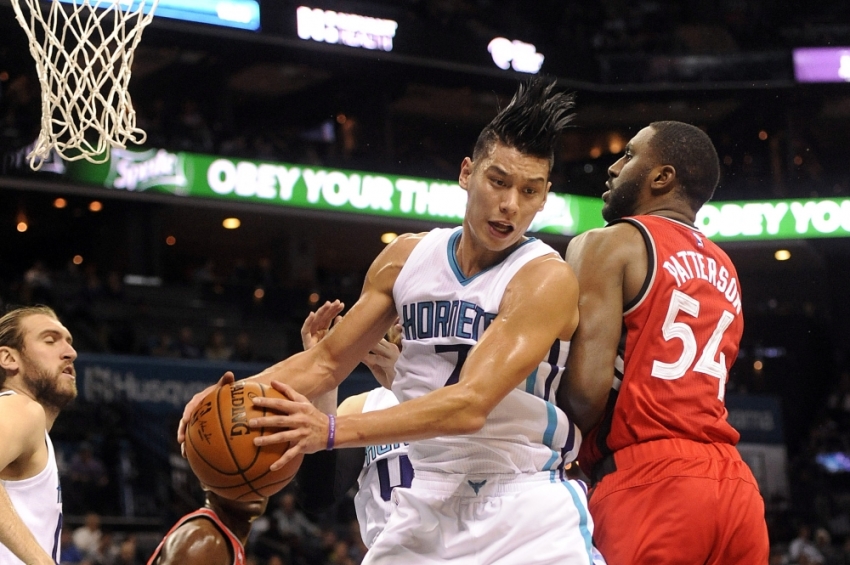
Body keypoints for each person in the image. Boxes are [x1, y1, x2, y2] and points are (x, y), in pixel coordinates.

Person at [181, 78, 599, 564]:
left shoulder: (544, 278)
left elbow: (469, 404)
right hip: (426, 496)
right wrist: (224, 395)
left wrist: (331, 430)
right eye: (498, 181)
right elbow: (326, 361)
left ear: (544, 197)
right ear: (467, 173)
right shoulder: (404, 258)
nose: (510, 205)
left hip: (523, 502)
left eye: (529, 191)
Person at [557, 121, 770, 564]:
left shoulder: (609, 243)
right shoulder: (724, 264)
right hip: (735, 486)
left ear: (662, 177)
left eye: (629, 155)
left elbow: (584, 393)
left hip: (650, 480)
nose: (613, 167)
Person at [294, 300, 411, 549]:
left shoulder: (464, 391)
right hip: (388, 554)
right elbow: (317, 495)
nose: (401, 317)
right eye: (398, 309)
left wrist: (404, 386)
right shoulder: (361, 406)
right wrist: (326, 370)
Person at [0, 305, 78, 564]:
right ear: (9, 359)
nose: (70, 353)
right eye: (50, 340)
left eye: (68, 342)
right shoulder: (20, 409)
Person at [146, 488, 267, 565]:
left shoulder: (222, 539)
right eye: (243, 471)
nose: (254, 484)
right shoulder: (204, 540)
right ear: (206, 482)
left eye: (263, 472)